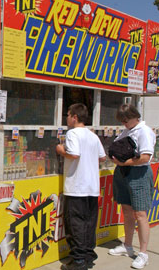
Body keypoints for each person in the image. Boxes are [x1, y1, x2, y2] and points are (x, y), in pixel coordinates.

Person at [55, 104, 106, 270]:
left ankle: (78, 262)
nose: (67, 118)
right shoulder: (93, 136)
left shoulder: (72, 133)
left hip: (77, 187)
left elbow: (74, 154)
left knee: (75, 224)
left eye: (68, 115)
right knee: (89, 223)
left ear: (75, 117)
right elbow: (102, 157)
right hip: (92, 187)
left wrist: (61, 150)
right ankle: (88, 256)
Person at [107, 104, 155, 269]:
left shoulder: (144, 131)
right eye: (122, 121)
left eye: (126, 120)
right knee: (127, 211)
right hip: (123, 173)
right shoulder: (126, 131)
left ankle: (143, 253)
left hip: (138, 174)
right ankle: (128, 246)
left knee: (140, 214)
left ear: (135, 116)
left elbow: (145, 157)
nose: (124, 124)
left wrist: (123, 162)